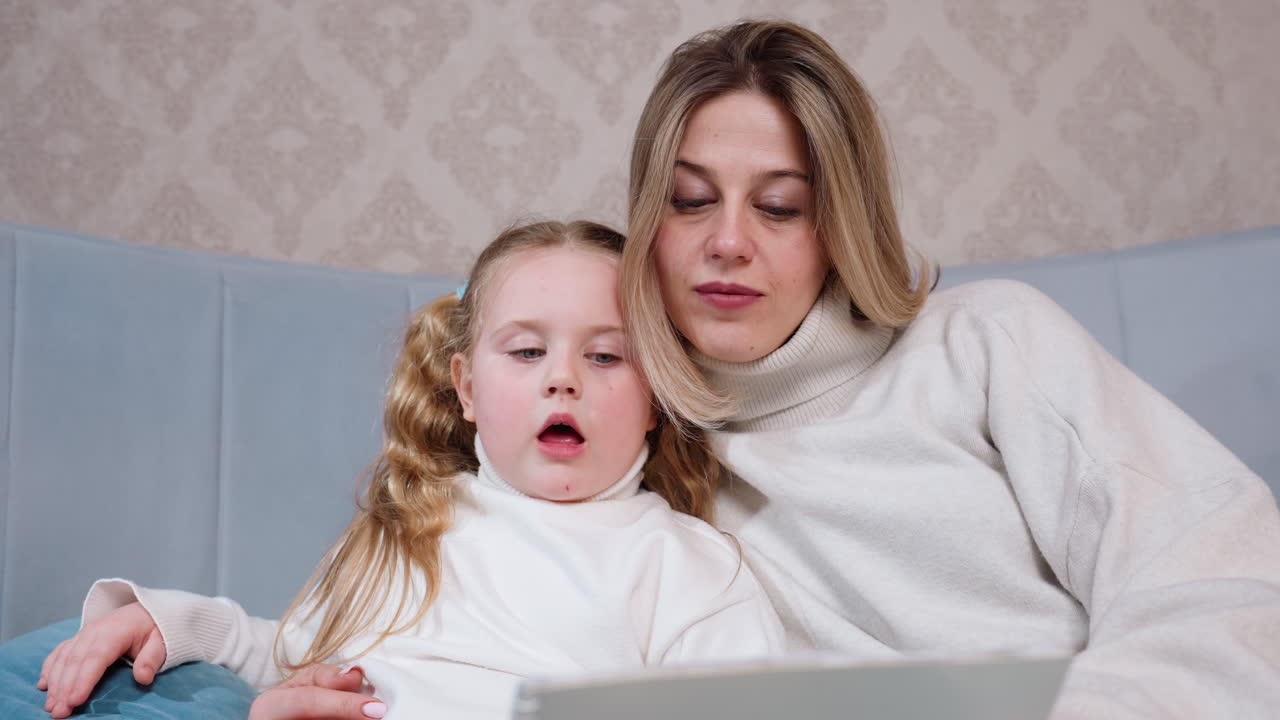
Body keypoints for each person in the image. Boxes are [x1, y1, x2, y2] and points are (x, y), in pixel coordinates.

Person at [617, 19, 1280, 719]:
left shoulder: (986, 342)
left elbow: (1222, 576)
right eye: (691, 200)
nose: (727, 241)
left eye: (779, 207)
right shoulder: (624, 452)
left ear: (841, 227)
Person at [37, 220, 784, 719]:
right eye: (527, 352)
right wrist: (171, 621)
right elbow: (285, 654)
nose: (563, 380)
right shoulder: (411, 530)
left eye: (606, 355)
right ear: (466, 389)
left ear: (657, 396)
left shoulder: (688, 569)